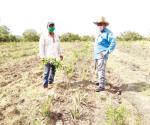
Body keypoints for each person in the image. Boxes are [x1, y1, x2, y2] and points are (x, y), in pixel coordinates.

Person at [93, 16, 116, 92]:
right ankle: (101, 81)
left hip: (102, 55)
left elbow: (113, 43)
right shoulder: (100, 33)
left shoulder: (108, 33)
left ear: (104, 25)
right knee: (99, 69)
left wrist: (105, 52)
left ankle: (101, 86)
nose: (99, 26)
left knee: (101, 69)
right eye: (98, 24)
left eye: (101, 24)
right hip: (97, 55)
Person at [39, 21, 63, 88]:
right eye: (50, 26)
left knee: (53, 70)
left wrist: (61, 54)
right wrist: (42, 57)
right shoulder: (43, 36)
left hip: (55, 57)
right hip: (47, 57)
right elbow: (41, 47)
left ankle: (50, 82)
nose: (52, 27)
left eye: (53, 26)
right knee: (46, 72)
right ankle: (45, 86)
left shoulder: (56, 36)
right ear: (47, 27)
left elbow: (59, 45)